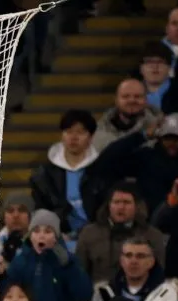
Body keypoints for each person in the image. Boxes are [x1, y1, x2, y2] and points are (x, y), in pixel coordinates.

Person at [3, 209, 92, 301]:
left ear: (56, 236)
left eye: (48, 231)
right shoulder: (20, 261)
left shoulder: (68, 261)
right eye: (36, 231)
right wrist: (1, 275)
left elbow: (84, 294)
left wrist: (68, 267)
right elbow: (6, 292)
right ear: (30, 235)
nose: (41, 235)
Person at [29, 109, 107, 237]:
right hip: (58, 236)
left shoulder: (102, 169)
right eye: (68, 131)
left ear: (91, 137)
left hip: (96, 235)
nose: (74, 138)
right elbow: (42, 210)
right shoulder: (44, 174)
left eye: (80, 132)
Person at [75, 182, 167, 284]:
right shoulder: (89, 233)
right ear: (109, 205)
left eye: (126, 202)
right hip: (99, 294)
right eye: (116, 202)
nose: (121, 207)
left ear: (137, 206)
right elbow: (79, 273)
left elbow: (158, 273)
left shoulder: (152, 235)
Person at [92, 79, 160, 152]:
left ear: (146, 100)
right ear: (116, 100)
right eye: (125, 96)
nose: (131, 100)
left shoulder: (160, 131)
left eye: (138, 96)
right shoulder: (97, 132)